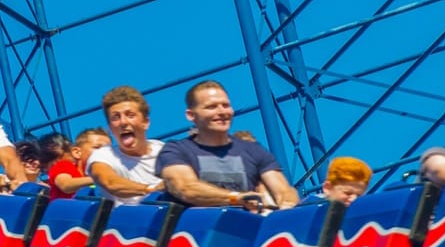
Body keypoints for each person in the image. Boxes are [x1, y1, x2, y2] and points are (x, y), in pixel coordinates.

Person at [155, 81, 298, 211]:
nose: (222, 112)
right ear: (191, 115)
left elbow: (283, 190)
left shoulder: (254, 150)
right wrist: (236, 198)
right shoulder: (176, 150)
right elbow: (185, 188)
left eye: (225, 105)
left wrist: (286, 207)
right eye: (211, 107)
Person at [87, 86, 162, 204]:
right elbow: (110, 182)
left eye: (130, 115)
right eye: (115, 118)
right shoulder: (103, 156)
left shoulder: (163, 150)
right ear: (110, 128)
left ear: (146, 123)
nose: (123, 122)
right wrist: (152, 189)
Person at [45, 129, 110, 200]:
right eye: (97, 147)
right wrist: (97, 179)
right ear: (77, 153)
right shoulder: (64, 166)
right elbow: (65, 185)